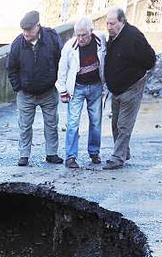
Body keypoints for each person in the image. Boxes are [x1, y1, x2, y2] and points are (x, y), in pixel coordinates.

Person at [8, 10, 63, 167]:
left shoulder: (52, 38)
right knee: (24, 126)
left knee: (51, 124)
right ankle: (23, 155)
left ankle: (52, 153)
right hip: (26, 93)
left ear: (38, 26)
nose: (26, 33)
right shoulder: (18, 44)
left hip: (48, 91)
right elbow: (11, 68)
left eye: (29, 30)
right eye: (24, 30)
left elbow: (61, 60)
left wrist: (57, 82)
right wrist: (18, 87)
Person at [103, 7, 156, 169]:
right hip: (116, 89)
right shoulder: (112, 36)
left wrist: (135, 73)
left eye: (112, 23)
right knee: (115, 123)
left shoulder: (134, 37)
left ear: (122, 21)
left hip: (132, 86)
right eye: (107, 24)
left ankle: (118, 157)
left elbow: (150, 59)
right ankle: (124, 151)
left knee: (124, 124)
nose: (109, 27)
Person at [56, 17, 106, 168]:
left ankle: (94, 152)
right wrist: (63, 90)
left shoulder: (101, 39)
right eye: (78, 35)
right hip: (77, 87)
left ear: (91, 31)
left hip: (96, 86)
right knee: (72, 123)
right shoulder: (70, 47)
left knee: (96, 121)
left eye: (84, 35)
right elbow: (62, 69)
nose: (81, 38)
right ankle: (70, 157)